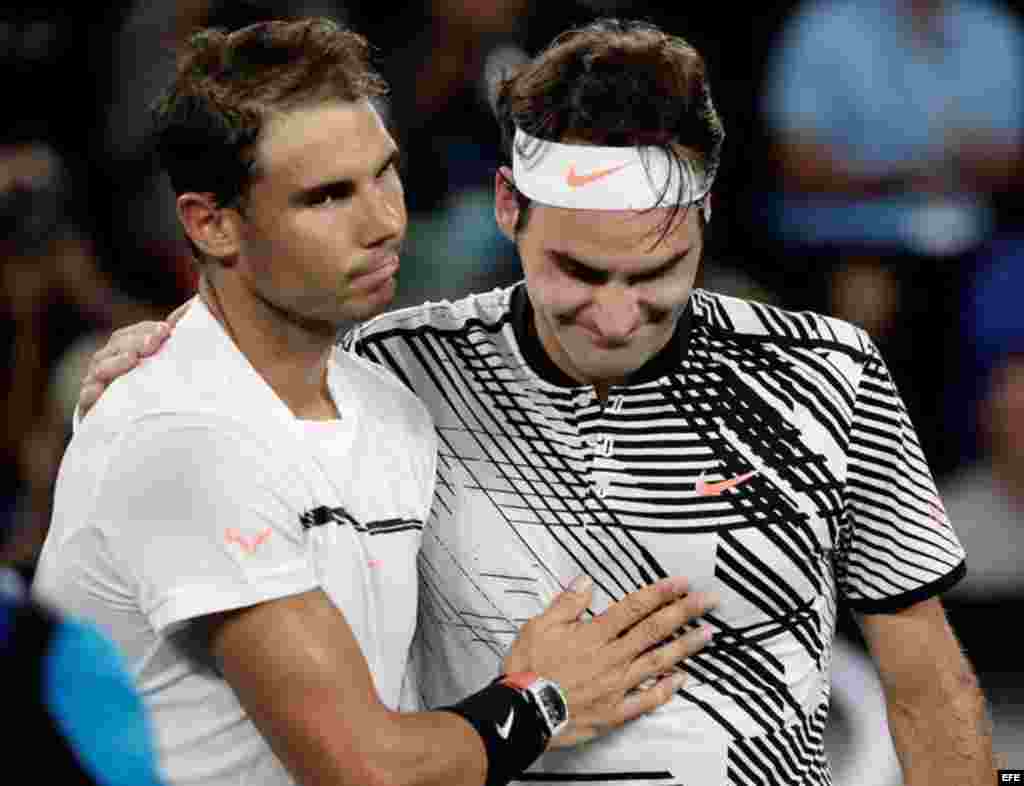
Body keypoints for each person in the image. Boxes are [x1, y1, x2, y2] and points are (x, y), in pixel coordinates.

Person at [76, 17, 994, 786]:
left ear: (709, 214)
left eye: (657, 271)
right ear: (508, 208)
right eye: (578, 271)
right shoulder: (389, 366)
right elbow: (236, 380)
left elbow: (924, 678)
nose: (616, 314)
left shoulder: (830, 373)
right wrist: (163, 363)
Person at [31, 19, 716, 786]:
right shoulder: (184, 436)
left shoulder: (387, 403)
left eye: (383, 175)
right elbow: (365, 770)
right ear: (211, 223)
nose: (385, 222)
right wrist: (543, 702)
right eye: (327, 197)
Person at [760, 0, 1024, 479]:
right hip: (852, 238)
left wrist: (968, 162)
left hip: (973, 240)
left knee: (1003, 315)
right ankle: (847, 483)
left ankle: (971, 498)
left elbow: (1011, 159)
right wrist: (900, 174)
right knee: (866, 307)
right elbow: (795, 162)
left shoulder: (992, 29)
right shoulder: (826, 25)